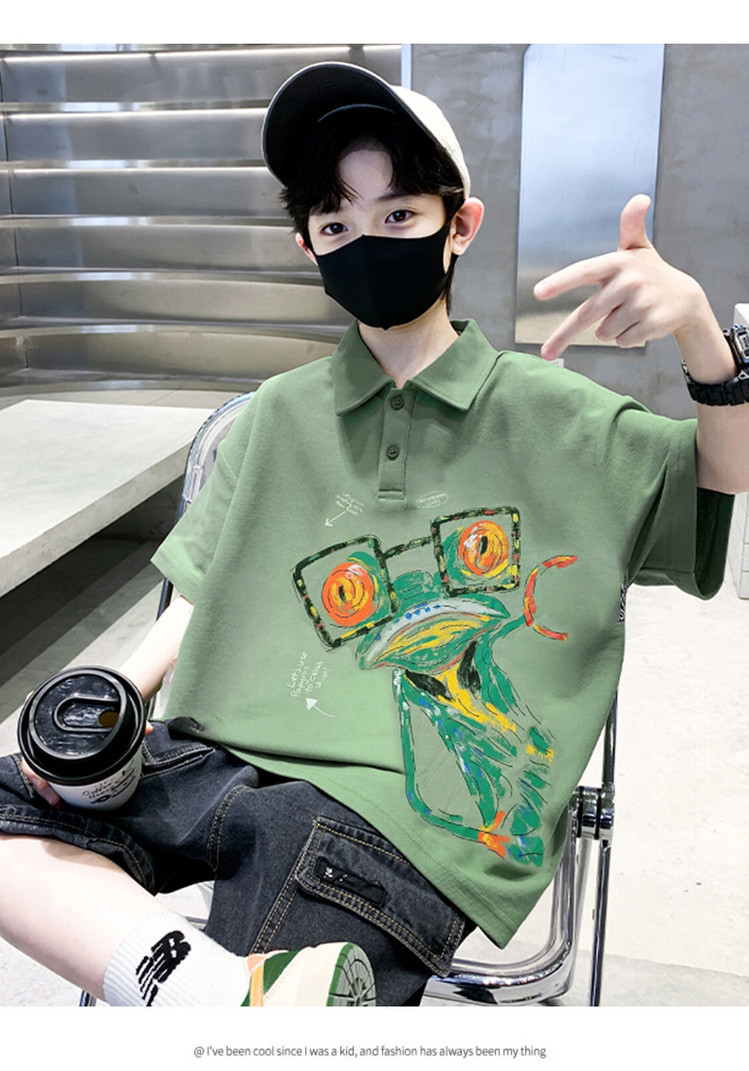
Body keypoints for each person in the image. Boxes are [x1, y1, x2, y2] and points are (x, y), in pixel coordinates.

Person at [0, 61, 747, 1008]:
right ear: (309, 244)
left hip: (410, 811)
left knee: (288, 969)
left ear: (458, 225)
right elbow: (205, 587)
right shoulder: (277, 414)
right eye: (336, 224)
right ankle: (203, 992)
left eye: (398, 215)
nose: (366, 242)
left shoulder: (561, 418)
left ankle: (220, 1001)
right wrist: (104, 706)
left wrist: (701, 339)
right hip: (222, 756)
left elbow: (726, 471)